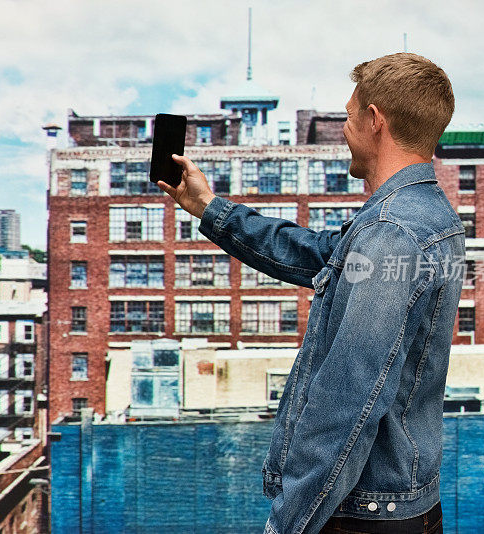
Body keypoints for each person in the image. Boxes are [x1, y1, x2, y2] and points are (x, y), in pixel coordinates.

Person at [157, 53, 461, 534]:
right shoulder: (426, 216)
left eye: (348, 114)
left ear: (374, 119)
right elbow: (315, 253)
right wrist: (208, 207)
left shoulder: (391, 231)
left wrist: (289, 523)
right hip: (399, 505)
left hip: (360, 516)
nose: (344, 128)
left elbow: (349, 399)